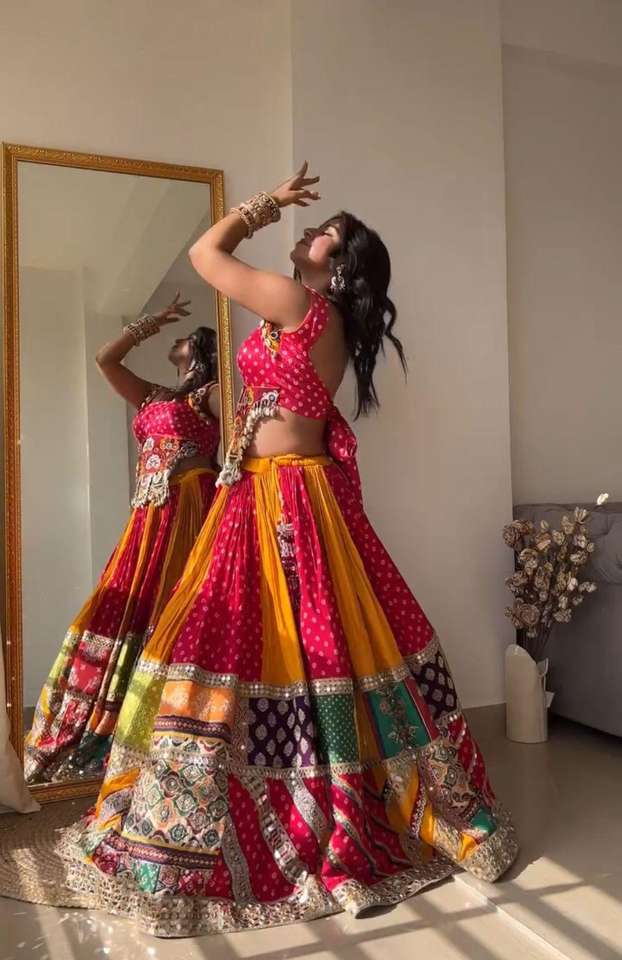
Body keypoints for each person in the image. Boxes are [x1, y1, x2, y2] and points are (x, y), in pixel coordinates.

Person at [61, 165, 518, 935]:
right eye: (310, 223)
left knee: (275, 645)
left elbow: (207, 255)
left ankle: (289, 806)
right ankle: (252, 798)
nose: (307, 231)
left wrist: (262, 206)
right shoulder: (303, 312)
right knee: (276, 646)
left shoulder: (307, 305)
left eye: (325, 232)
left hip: (286, 499)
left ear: (339, 265)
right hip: (265, 492)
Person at [25, 294, 221, 783]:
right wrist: (151, 322)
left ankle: (168, 724)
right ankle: (113, 716)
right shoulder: (154, 395)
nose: (177, 339)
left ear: (201, 352)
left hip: (188, 506)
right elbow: (105, 359)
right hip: (147, 514)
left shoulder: (211, 394)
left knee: (174, 605)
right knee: (126, 603)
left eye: (186, 337)